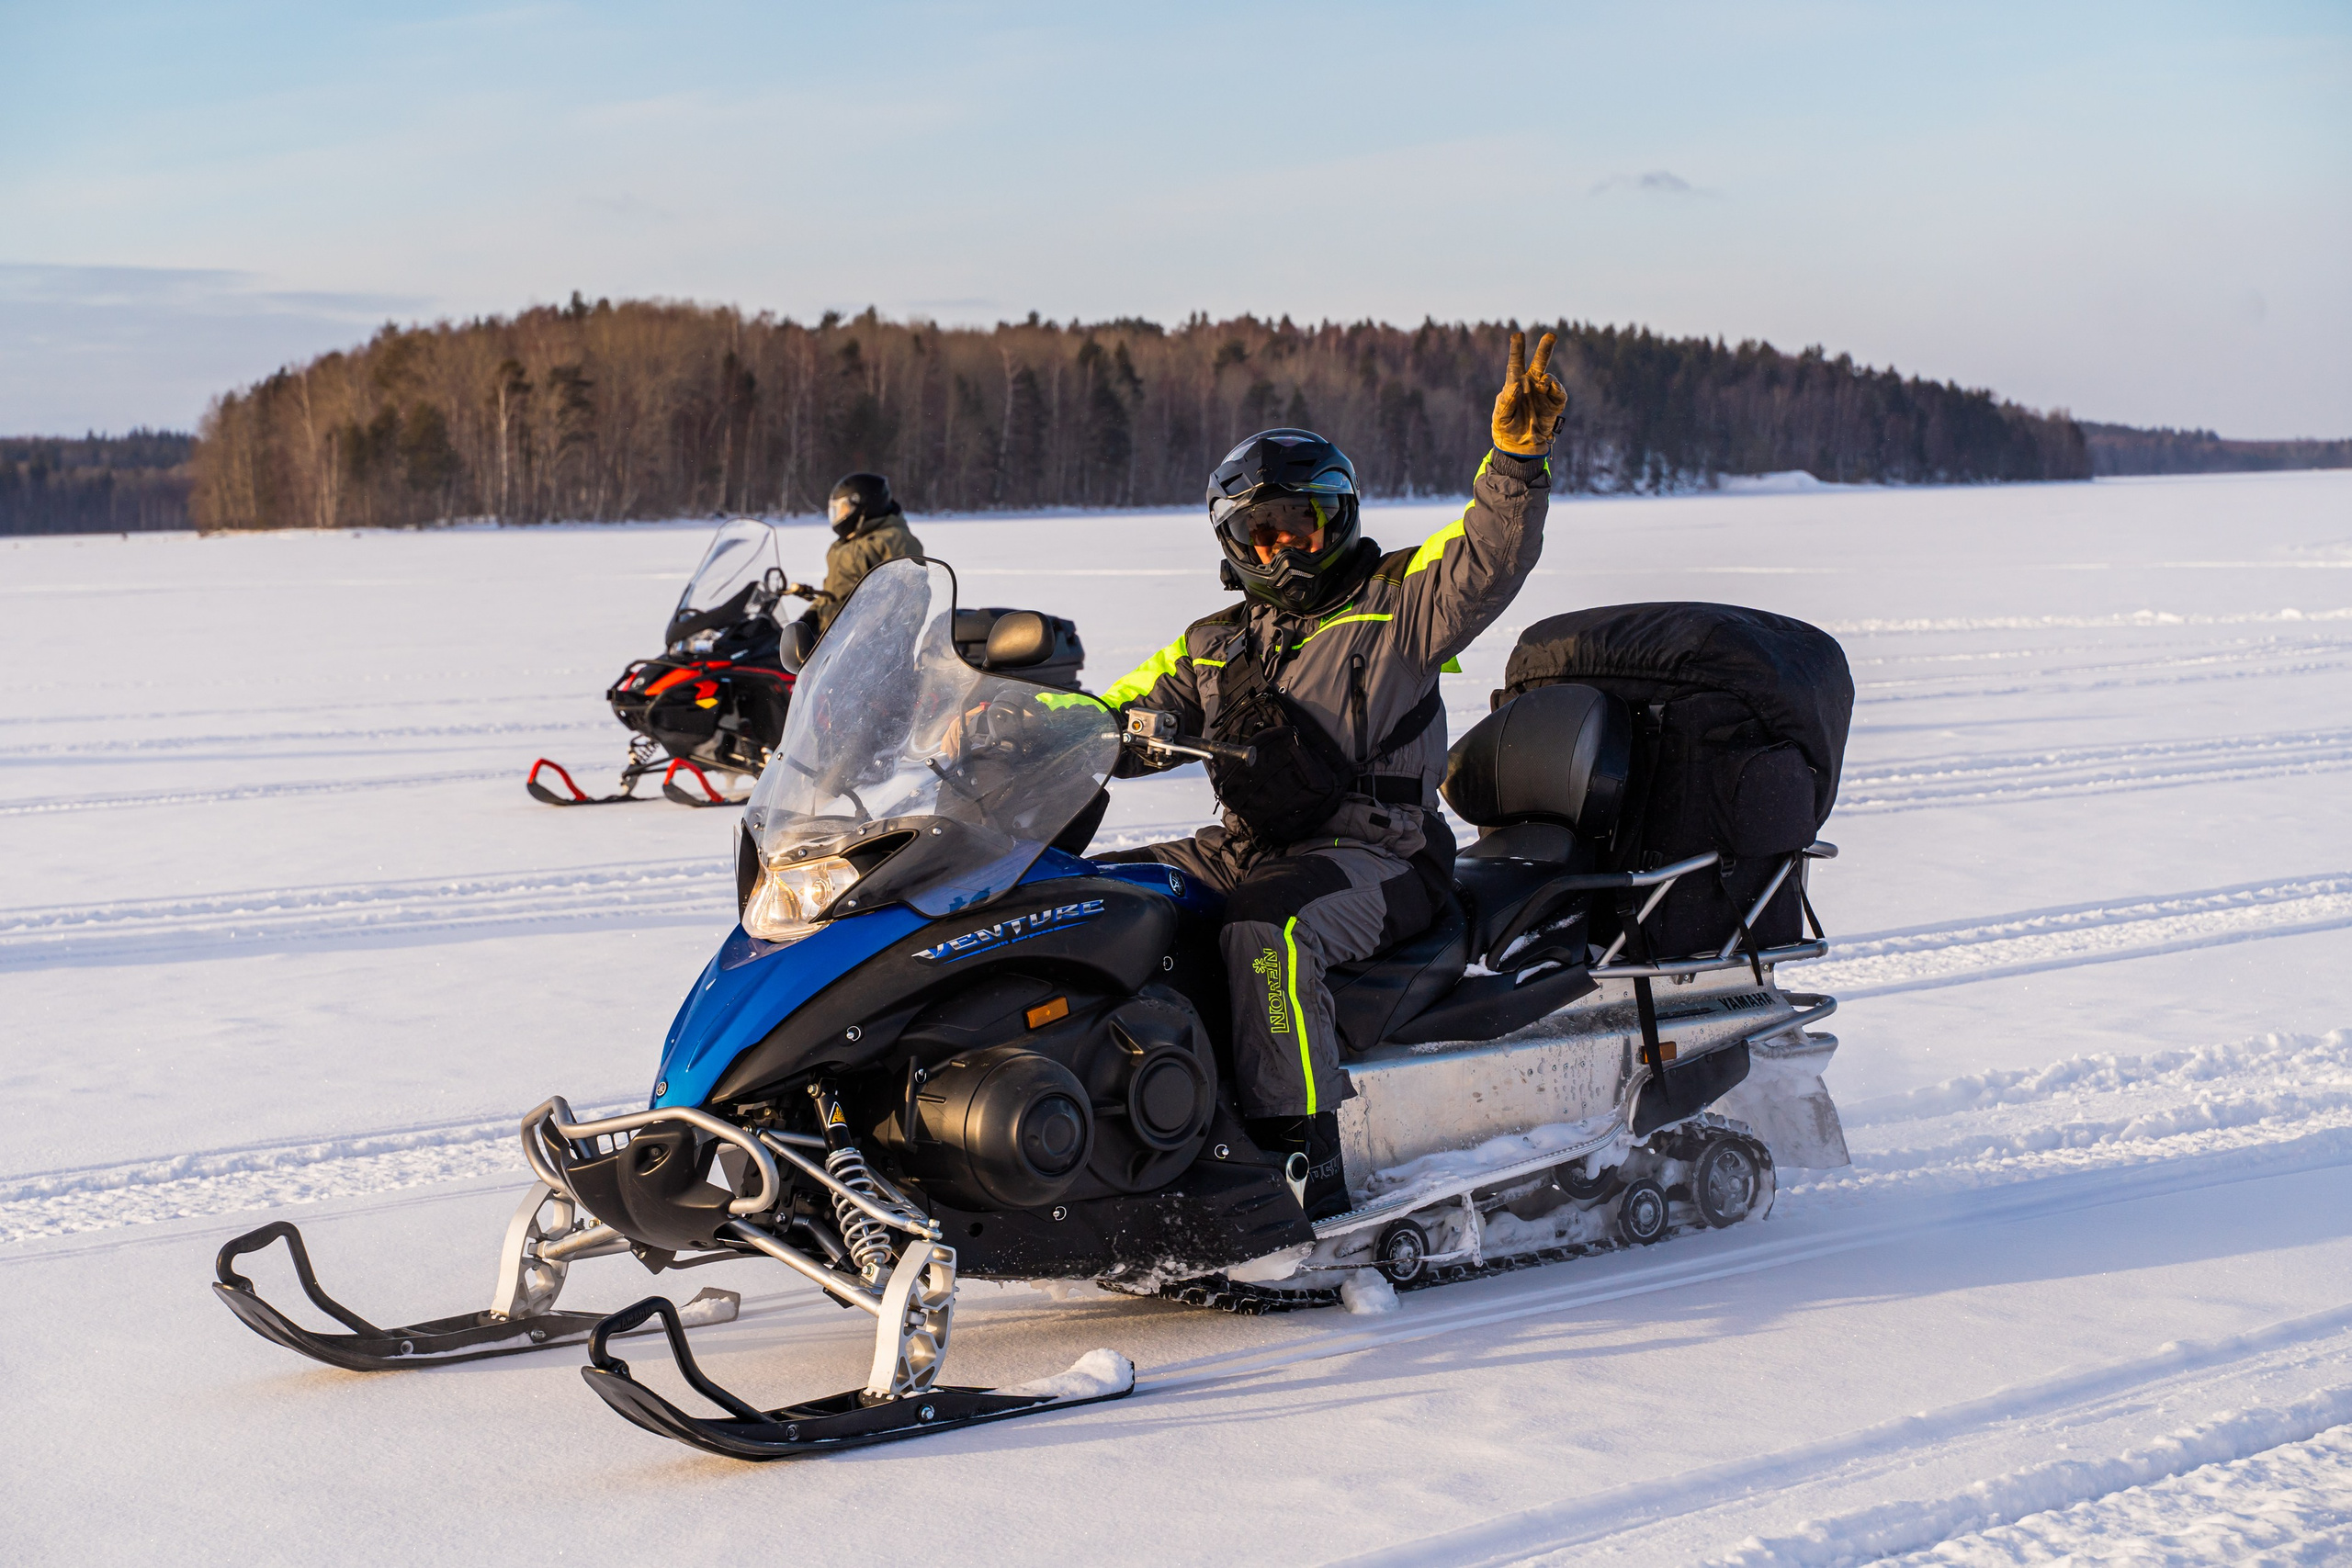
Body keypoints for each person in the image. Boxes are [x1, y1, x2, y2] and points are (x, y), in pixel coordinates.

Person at [1096, 332, 1566, 1219]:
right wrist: (1014, 725)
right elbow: (1115, 709)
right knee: (1096, 894)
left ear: (1336, 517)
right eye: (1258, 533)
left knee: (1266, 928)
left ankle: (1302, 1160)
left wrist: (1515, 460)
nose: (1281, 551)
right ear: (1232, 543)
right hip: (1248, 846)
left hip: (1381, 856)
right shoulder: (1213, 642)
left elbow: (1488, 561)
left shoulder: (1398, 604)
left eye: (1299, 524)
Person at [800, 472, 925, 635]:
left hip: (871, 648)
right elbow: (834, 594)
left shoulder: (894, 541)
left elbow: (907, 601)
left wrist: (850, 623)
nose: (839, 516)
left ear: (864, 507)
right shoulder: (844, 545)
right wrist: (813, 615)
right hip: (831, 644)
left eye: (843, 509)